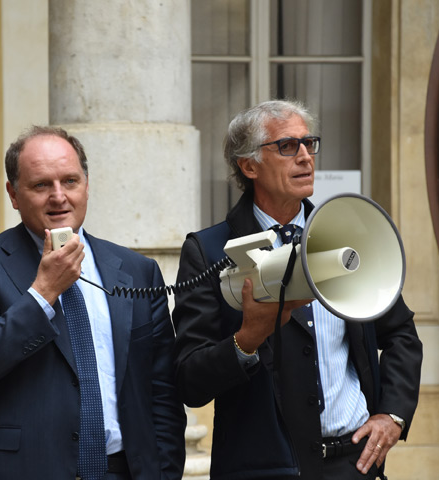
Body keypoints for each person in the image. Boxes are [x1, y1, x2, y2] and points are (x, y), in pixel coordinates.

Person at [172, 100, 422, 479]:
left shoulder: (345, 235)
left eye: (309, 143)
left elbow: (401, 331)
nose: (306, 157)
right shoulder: (209, 251)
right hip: (263, 471)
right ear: (249, 166)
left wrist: (393, 414)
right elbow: (190, 381)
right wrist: (246, 340)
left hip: (354, 464)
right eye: (288, 146)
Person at [0, 125, 186, 479]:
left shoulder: (137, 271)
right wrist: (42, 293)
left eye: (70, 181)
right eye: (41, 185)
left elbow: (162, 390)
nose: (58, 196)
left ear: (86, 186)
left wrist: (164, 473)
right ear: (14, 194)